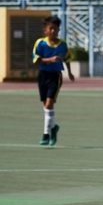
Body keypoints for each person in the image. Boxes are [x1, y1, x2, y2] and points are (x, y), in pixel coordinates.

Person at [32, 15, 74, 146]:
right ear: (45, 30)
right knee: (46, 105)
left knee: (49, 103)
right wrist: (50, 60)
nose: (53, 31)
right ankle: (53, 128)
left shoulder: (62, 44)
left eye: (55, 29)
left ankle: (45, 134)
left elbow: (67, 58)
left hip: (56, 76)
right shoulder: (40, 43)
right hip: (43, 75)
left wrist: (70, 72)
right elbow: (36, 59)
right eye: (50, 29)